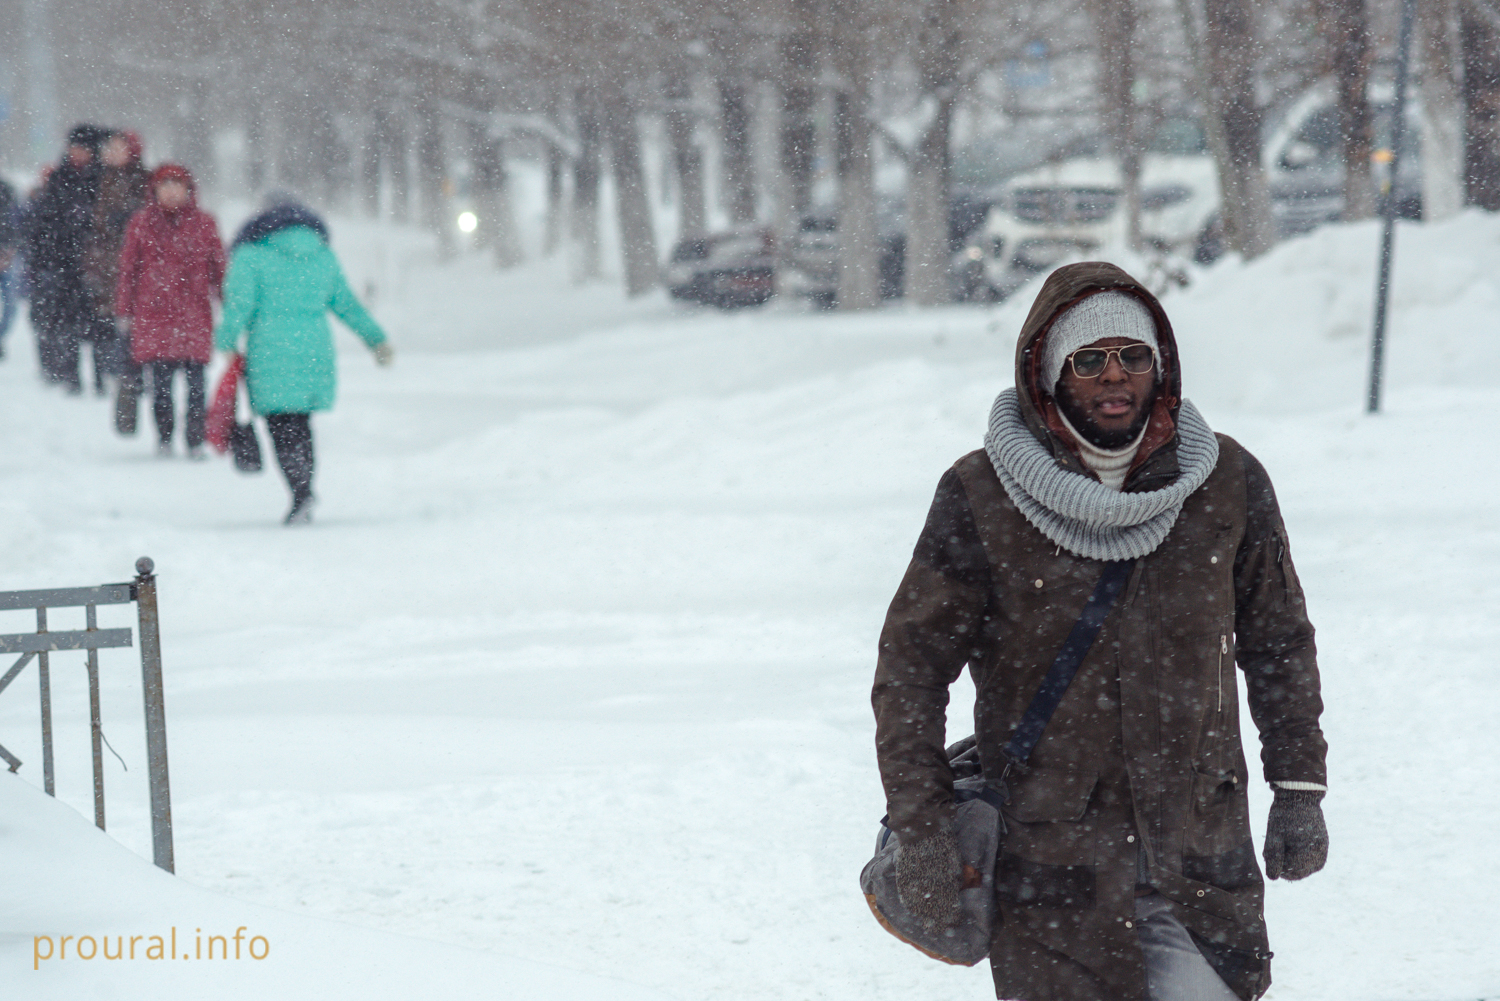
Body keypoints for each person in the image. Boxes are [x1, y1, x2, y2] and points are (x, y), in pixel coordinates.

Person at [871, 262, 1327, 1001]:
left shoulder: (1225, 483)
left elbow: (1278, 642)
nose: (1115, 375)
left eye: (1133, 355)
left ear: (1160, 364)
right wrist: (922, 827)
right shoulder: (981, 496)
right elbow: (910, 671)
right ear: (1050, 375)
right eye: (1089, 360)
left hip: (1197, 851)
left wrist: (1299, 785)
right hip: (1052, 864)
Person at [213, 194, 392, 524]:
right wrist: (375, 339)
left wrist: (226, 341)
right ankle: (305, 487)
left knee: (281, 426)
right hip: (314, 351)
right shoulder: (322, 256)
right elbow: (347, 305)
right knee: (302, 424)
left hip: (269, 350)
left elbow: (238, 304)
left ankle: (300, 492)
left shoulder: (251, 255)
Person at [115, 164, 225, 458]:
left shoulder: (205, 223)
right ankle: (164, 437)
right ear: (155, 190)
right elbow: (129, 270)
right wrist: (124, 311)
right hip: (154, 317)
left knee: (197, 387)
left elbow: (219, 269)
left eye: (179, 185)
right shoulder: (140, 224)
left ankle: (195, 440)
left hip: (194, 316)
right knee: (160, 388)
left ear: (189, 190)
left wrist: (231, 304)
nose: (172, 191)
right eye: (166, 185)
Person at [24, 124, 110, 392]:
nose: (78, 153)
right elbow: (43, 221)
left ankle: (99, 377)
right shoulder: (58, 178)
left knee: (97, 323)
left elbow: (103, 219)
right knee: (66, 322)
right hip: (61, 262)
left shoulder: (102, 179)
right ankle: (71, 375)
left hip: (93, 262)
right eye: (74, 147)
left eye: (83, 148)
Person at [84, 130, 151, 427]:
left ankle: (130, 379)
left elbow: (146, 218)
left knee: (130, 327)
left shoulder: (143, 179)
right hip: (109, 264)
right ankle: (113, 378)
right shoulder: (102, 178)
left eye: (117, 147)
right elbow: (96, 223)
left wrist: (124, 220)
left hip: (135, 265)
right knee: (108, 324)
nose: (110, 152)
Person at [0, 177, 19, 360]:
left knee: (10, 303)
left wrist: (8, 251)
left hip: (6, 254)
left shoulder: (7, 190)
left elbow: (15, 223)